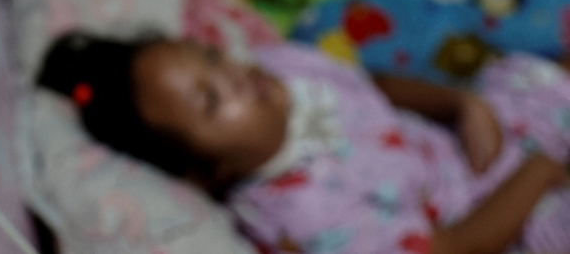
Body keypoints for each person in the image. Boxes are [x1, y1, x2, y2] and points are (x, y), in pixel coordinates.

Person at [36, 32, 570, 254]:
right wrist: (538, 173)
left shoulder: (278, 70)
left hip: (469, 142)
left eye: (212, 58)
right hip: (489, 215)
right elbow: (446, 249)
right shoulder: (304, 213)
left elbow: (372, 86)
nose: (235, 76)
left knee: (529, 77)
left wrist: (457, 104)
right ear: (211, 169)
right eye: (211, 100)